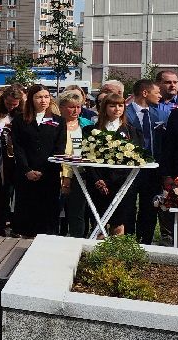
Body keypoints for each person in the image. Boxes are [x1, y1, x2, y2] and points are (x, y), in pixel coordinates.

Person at [11, 84, 63, 239]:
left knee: (47, 217)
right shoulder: (20, 120)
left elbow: (59, 148)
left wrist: (43, 171)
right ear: (31, 99)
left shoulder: (58, 121)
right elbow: (18, 147)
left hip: (48, 175)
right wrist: (27, 170)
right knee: (28, 218)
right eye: (39, 97)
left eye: (46, 97)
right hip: (26, 175)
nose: (43, 100)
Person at [85, 93, 140, 237]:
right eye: (112, 105)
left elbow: (135, 159)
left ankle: (115, 258)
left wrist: (119, 181)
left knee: (118, 224)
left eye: (120, 105)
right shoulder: (91, 130)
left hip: (122, 183)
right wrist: (97, 179)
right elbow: (87, 158)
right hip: (99, 182)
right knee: (99, 224)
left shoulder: (131, 131)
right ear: (104, 108)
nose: (117, 109)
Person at [125, 78, 163, 243]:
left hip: (153, 169)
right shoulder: (125, 113)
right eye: (157, 92)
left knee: (149, 208)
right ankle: (126, 240)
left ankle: (145, 240)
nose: (160, 96)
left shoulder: (158, 114)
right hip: (130, 168)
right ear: (145, 93)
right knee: (128, 206)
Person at [0, 85, 23, 237]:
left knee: (15, 195)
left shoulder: (21, 114)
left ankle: (15, 225)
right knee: (0, 194)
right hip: (0, 158)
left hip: (16, 158)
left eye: (15, 104)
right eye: (9, 104)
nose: (12, 107)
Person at [56, 90, 94, 237]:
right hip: (58, 172)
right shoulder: (55, 124)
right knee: (57, 212)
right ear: (62, 107)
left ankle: (77, 240)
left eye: (78, 107)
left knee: (77, 212)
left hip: (80, 174)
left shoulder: (87, 126)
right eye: (72, 107)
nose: (76, 110)